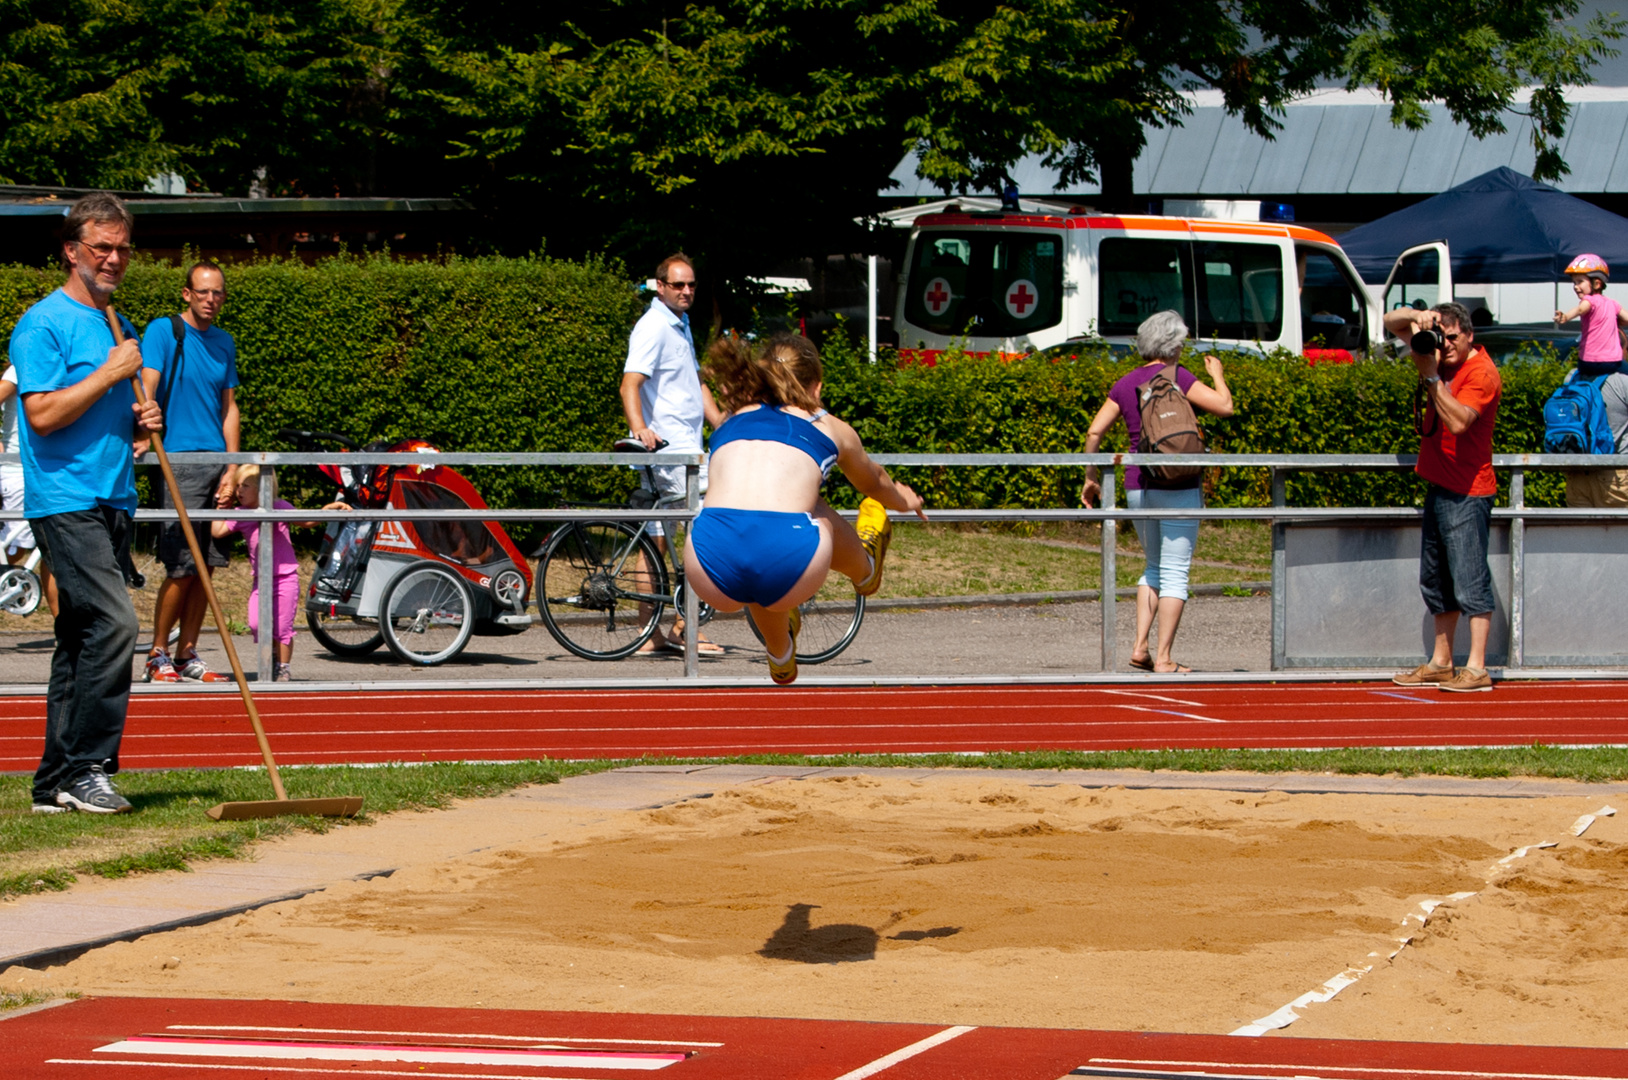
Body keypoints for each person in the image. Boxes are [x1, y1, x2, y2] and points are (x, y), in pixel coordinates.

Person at [12, 191, 163, 814]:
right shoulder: (41, 323)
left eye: (123, 248)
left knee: (78, 641)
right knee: (116, 624)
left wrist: (141, 421)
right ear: (71, 251)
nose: (113, 259)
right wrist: (107, 373)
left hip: (112, 496)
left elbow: (102, 417)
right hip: (64, 498)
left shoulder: (116, 324)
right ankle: (89, 767)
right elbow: (42, 415)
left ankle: (53, 784)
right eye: (101, 247)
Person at [683, 334, 926, 685]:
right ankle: (865, 568)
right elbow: (873, 482)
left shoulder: (730, 418)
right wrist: (906, 500)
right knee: (805, 516)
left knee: (759, 556)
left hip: (706, 559)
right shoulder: (826, 424)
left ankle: (780, 652)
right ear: (816, 387)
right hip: (790, 559)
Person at [1079, 310, 1233, 674]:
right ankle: (1163, 658)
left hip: (1138, 485)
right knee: (1176, 571)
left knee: (1153, 567)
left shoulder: (1125, 383)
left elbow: (1094, 432)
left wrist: (1090, 475)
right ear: (1174, 345)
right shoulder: (1180, 377)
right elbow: (1225, 407)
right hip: (1179, 485)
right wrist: (1218, 376)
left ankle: (1139, 647)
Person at [1386, 301, 1502, 693]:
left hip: (1468, 492)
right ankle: (1441, 662)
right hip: (1439, 486)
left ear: (1470, 335)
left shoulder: (1480, 372)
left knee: (1471, 580)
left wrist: (1433, 378)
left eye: (1454, 337)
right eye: (1442, 336)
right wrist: (1416, 319)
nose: (1446, 344)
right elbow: (1390, 322)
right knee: (1436, 581)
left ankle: (1478, 666)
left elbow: (1458, 422)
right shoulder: (1435, 354)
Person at [620, 253, 726, 656]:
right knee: (709, 528)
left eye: (691, 285)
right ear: (659, 286)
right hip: (669, 453)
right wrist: (640, 430)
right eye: (678, 285)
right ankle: (683, 627)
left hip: (687, 448)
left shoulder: (678, 325)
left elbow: (694, 384)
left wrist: (722, 422)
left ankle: (655, 633)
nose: (686, 291)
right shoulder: (653, 327)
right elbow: (630, 384)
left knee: (659, 539)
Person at [140, 260, 240, 683]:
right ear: (186, 294)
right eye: (203, 292)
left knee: (209, 565)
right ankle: (157, 653)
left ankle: (187, 653)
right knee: (181, 565)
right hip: (177, 460)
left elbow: (228, 407)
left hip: (215, 461)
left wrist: (233, 467)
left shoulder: (225, 342)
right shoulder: (164, 331)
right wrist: (144, 430)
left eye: (217, 292)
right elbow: (147, 384)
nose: (211, 300)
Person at [210, 465, 347, 682]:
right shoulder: (240, 514)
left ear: (263, 489)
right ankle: (273, 655)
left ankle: (283, 667)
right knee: (256, 623)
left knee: (283, 626)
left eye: (245, 486)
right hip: (260, 580)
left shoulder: (279, 507)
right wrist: (221, 506)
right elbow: (217, 531)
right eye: (237, 486)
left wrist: (328, 510)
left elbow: (306, 522)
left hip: (285, 577)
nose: (239, 491)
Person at [1552, 254, 1628, 507]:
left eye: (1579, 281)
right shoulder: (1623, 381)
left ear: (1595, 283)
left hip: (1577, 475)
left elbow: (1582, 309)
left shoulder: (1571, 377)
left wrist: (1564, 318)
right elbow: (1583, 309)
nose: (1576, 286)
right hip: (1616, 477)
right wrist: (1569, 314)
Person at [1, 365, 59, 616]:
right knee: (49, 548)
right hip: (20, 474)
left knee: (44, 549)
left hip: (34, 472)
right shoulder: (23, 367)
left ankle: (64, 630)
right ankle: (65, 630)